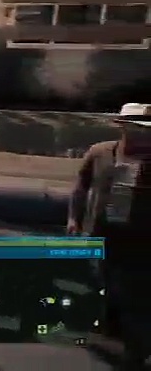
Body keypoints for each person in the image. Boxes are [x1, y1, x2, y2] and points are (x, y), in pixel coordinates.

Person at [67, 102, 150, 369]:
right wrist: (73, 218)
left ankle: (136, 351)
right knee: (98, 283)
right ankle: (105, 337)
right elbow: (81, 186)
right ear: (122, 126)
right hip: (99, 234)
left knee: (135, 296)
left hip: (141, 242)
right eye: (136, 128)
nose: (142, 134)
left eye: (146, 130)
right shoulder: (100, 152)